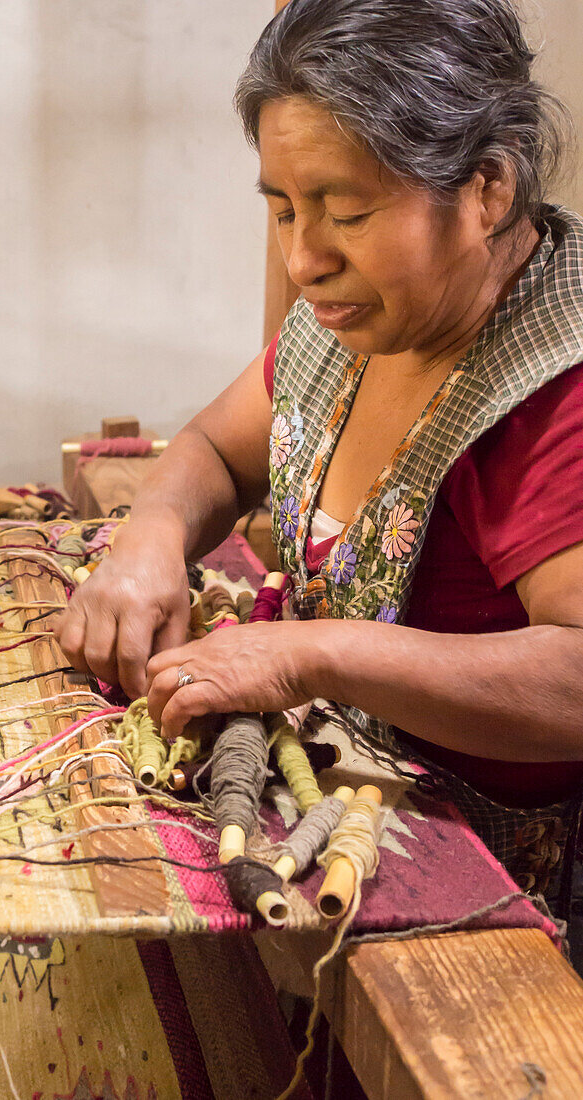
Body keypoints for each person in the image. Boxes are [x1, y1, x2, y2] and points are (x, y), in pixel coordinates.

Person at [55, 0, 583, 957]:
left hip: (482, 901)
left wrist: (302, 656)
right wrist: (149, 541)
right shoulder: (358, 316)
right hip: (329, 790)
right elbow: (216, 451)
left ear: (488, 191)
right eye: (283, 208)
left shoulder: (555, 393)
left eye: (348, 213)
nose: (305, 259)